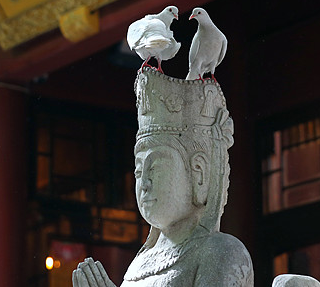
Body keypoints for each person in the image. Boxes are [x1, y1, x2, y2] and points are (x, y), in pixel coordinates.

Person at [72, 70, 253, 287]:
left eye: (157, 169)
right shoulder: (138, 267)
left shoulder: (221, 251)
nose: (144, 184)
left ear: (199, 173)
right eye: (139, 172)